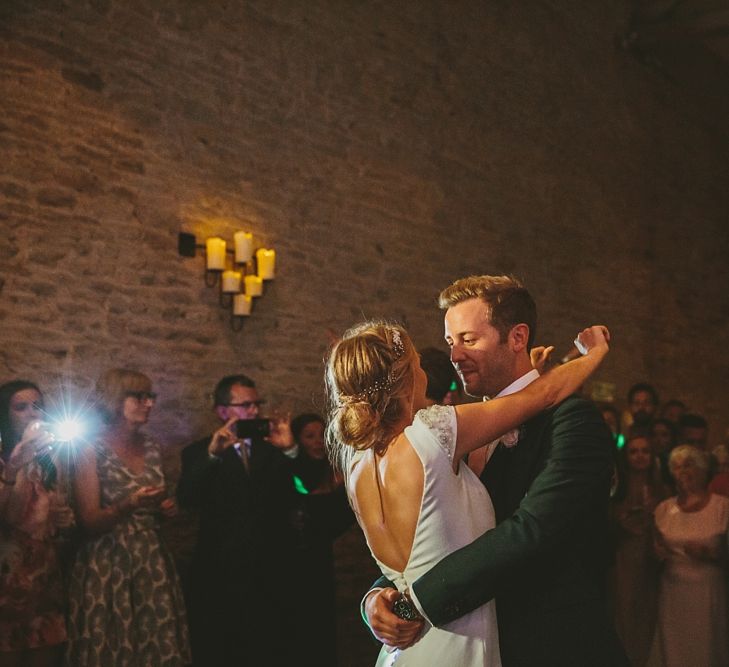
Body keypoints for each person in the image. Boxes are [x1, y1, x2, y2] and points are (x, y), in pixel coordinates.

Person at [363, 275, 627, 667]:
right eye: (452, 342)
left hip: (549, 643)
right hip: (468, 645)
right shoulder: (459, 430)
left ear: (517, 338)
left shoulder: (572, 420)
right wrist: (379, 596)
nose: (455, 355)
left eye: (469, 339)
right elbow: (429, 531)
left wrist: (416, 601)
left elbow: (533, 530)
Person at [177, 374, 315, 667]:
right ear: (222, 411)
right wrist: (212, 456)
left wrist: (290, 451)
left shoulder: (273, 450)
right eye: (245, 405)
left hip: (270, 574)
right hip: (220, 575)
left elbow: (305, 488)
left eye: (257, 404)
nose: (254, 411)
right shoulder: (199, 452)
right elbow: (187, 499)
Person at [66, 369, 190, 667]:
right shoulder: (90, 449)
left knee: (154, 640)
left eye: (151, 397)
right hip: (108, 560)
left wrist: (166, 509)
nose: (148, 404)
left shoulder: (151, 447)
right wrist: (128, 504)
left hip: (150, 557)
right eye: (139, 397)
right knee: (112, 642)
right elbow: (89, 520)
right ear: (115, 400)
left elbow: (159, 506)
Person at [0, 380, 74, 667]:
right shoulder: (6, 457)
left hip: (43, 577)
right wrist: (14, 466)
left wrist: (62, 519)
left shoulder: (50, 458)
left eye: (38, 406)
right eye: (22, 407)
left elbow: (52, 517)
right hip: (7, 579)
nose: (33, 413)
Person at [653, 445, 729, 667]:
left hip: (708, 590)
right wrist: (656, 553)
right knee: (675, 649)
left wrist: (711, 554)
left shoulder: (722, 508)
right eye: (676, 466)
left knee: (708, 647)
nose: (682, 471)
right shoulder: (664, 509)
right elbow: (654, 549)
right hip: (673, 591)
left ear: (703, 470)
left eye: (688, 465)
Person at [290, 413, 354, 667]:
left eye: (321, 435)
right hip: (291, 560)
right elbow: (302, 496)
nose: (318, 442)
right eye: (309, 436)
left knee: (322, 623)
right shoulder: (294, 473)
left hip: (319, 558)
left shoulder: (335, 472)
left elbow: (341, 518)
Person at [608, 430, 668, 666]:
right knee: (623, 611)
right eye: (634, 451)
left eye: (645, 451)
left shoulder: (661, 487)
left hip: (652, 557)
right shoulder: (617, 485)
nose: (640, 456)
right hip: (623, 555)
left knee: (648, 613)